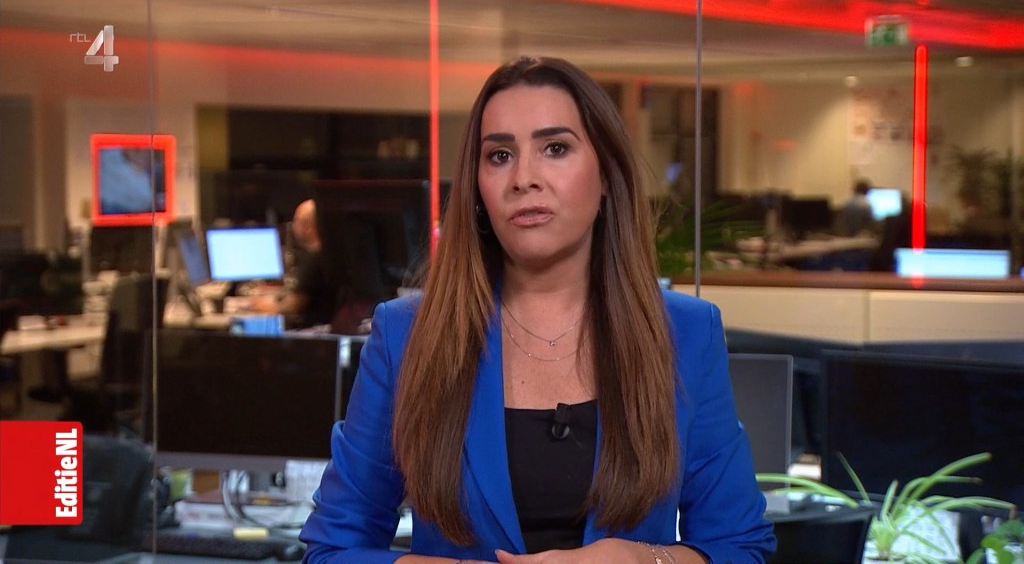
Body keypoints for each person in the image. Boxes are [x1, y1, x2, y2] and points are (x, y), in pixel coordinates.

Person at [299, 56, 775, 564]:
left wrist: (642, 560)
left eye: (555, 148)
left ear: (606, 174)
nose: (523, 178)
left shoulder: (687, 332)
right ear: (477, 187)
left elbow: (738, 546)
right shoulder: (406, 335)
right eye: (500, 155)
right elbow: (333, 549)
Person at [250, 199, 336, 329]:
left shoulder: (315, 258)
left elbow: (293, 306)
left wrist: (267, 306)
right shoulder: (330, 254)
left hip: (309, 331)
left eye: (296, 221)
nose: (293, 227)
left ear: (309, 227)